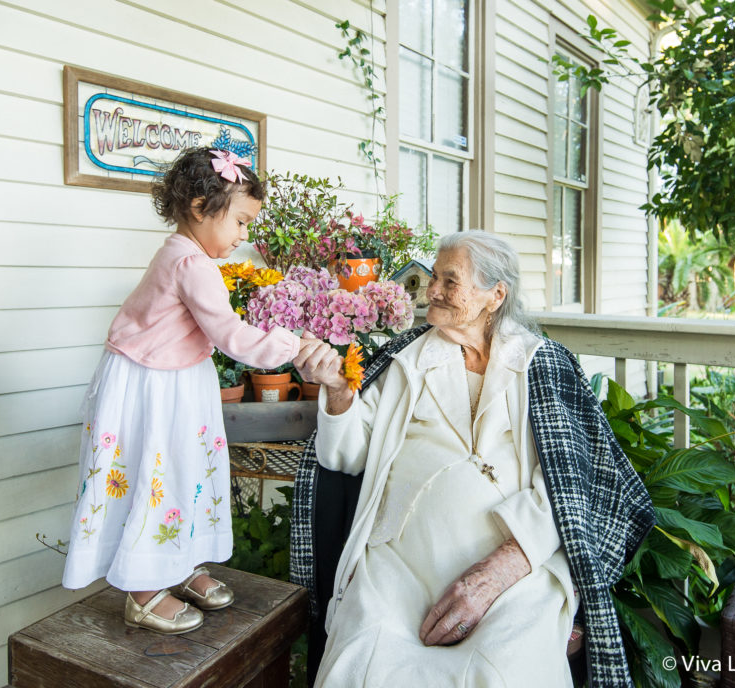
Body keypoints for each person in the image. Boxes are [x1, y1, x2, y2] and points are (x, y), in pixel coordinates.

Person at [291, 231, 655, 686]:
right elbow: (345, 455)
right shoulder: (407, 356)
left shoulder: (541, 363)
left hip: (514, 567)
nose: (433, 291)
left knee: (506, 671)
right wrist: (339, 392)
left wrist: (506, 565)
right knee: (364, 658)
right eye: (434, 278)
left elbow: (569, 484)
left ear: (495, 295)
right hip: (398, 562)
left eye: (450, 280)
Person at [61, 147, 327, 634]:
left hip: (176, 381)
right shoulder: (191, 266)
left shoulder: (182, 254)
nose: (246, 236)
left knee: (181, 471)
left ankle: (175, 564)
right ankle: (142, 590)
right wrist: (291, 343)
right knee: (152, 471)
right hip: (152, 387)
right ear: (202, 209)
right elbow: (230, 336)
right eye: (241, 223)